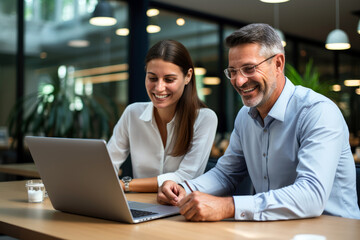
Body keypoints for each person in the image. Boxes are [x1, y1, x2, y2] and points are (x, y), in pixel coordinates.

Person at [158, 23, 360, 221]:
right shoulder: (245, 116)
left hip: (334, 230)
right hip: (275, 229)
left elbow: (311, 195)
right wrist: (183, 189)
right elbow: (225, 174)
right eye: (233, 71)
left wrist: (229, 206)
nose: (239, 81)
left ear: (278, 64)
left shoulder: (317, 112)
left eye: (249, 68)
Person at [107, 40, 218, 193]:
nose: (159, 88)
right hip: (138, 204)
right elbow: (108, 164)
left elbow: (185, 176)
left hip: (179, 209)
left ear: (188, 76)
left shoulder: (204, 119)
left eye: (169, 79)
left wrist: (125, 184)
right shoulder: (133, 113)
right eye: (152, 78)